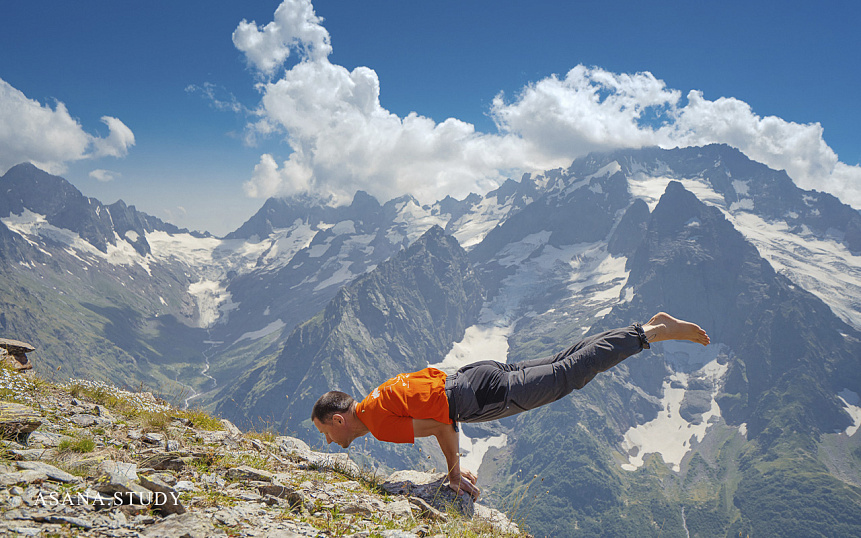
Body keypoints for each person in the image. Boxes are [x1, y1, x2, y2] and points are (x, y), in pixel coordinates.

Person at [311, 312, 709, 500]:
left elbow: (441, 425)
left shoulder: (377, 423)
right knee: (562, 364)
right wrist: (453, 464)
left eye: (325, 433)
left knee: (568, 374)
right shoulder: (376, 396)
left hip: (480, 397)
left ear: (338, 418)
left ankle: (652, 333)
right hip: (474, 376)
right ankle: (644, 327)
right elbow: (434, 398)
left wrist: (452, 475)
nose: (328, 441)